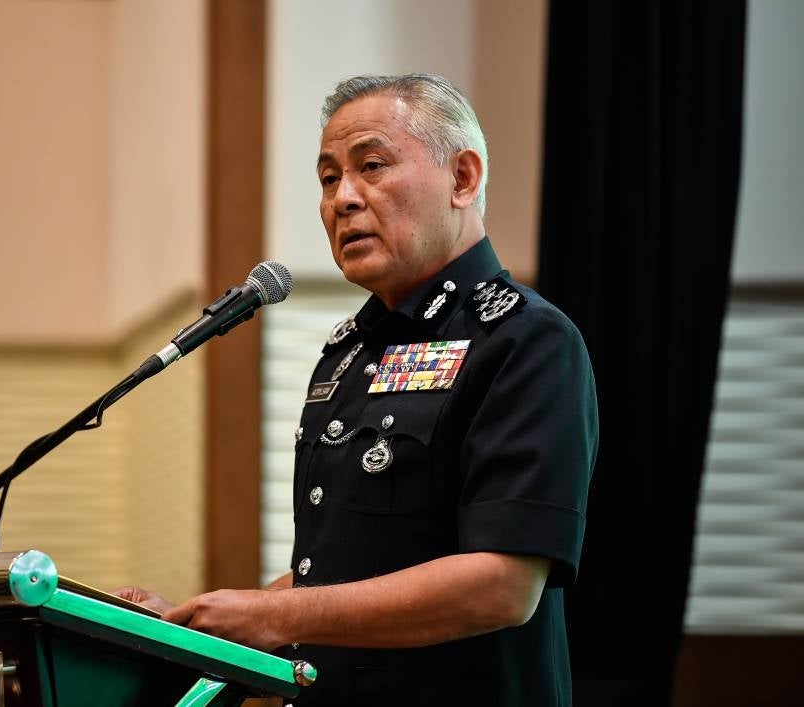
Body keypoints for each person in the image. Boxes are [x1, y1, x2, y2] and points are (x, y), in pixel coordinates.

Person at [116, 73, 598, 705]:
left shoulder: (526, 341)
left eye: (371, 166)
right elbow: (345, 573)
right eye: (327, 178)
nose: (343, 198)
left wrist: (268, 616)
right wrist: (199, 625)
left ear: (463, 179)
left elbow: (503, 585)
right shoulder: (350, 352)